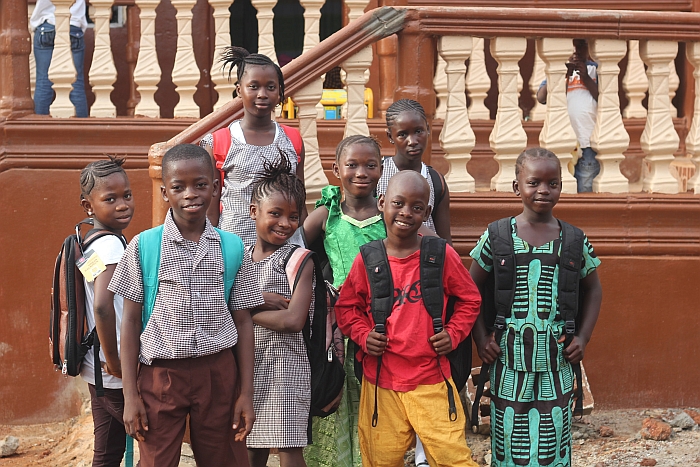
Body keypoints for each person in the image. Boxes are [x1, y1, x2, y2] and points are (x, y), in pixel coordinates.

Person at [109, 144, 261, 467]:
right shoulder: (144, 247)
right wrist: (130, 396)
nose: (190, 194)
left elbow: (244, 322)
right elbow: (131, 323)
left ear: (216, 187)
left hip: (218, 373)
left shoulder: (231, 248)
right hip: (161, 376)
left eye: (200, 184)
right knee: (156, 461)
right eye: (178, 187)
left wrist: (245, 392)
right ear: (165, 192)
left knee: (224, 459)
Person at [335, 170, 481, 467]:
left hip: (432, 379)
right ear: (381, 203)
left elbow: (470, 298)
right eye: (398, 203)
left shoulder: (439, 255)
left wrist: (453, 333)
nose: (405, 213)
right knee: (380, 459)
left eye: (416, 207)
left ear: (427, 213)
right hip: (382, 381)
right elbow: (346, 307)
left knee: (452, 457)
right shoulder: (369, 258)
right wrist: (364, 335)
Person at [469, 148, 603, 467]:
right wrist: (481, 338)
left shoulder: (573, 240)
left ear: (560, 186)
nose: (543, 190)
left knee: (553, 431)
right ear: (518, 187)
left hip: (557, 357)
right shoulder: (497, 235)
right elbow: (470, 287)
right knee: (508, 429)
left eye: (552, 183)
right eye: (534, 182)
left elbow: (594, 288)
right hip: (508, 356)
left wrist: (582, 338)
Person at [302, 135, 386, 467]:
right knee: (335, 399)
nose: (361, 172)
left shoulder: (387, 212)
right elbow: (295, 252)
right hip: (336, 327)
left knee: (370, 400)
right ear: (336, 169)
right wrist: (318, 282)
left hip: (379, 324)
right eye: (352, 165)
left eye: (370, 165)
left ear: (382, 169)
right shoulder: (328, 213)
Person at [245, 155, 313, 467]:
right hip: (246, 367)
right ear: (253, 212)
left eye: (293, 216)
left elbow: (292, 321)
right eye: (275, 213)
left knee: (288, 448)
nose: (285, 223)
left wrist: (244, 310)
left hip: (286, 368)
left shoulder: (300, 260)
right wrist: (255, 300)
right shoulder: (239, 258)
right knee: (249, 447)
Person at [200, 47, 306, 247]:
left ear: (280, 91)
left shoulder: (293, 140)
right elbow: (211, 209)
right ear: (239, 89)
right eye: (254, 86)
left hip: (285, 246)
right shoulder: (220, 142)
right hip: (235, 246)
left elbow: (299, 201)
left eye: (271, 87)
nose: (262, 94)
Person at [79, 156, 134, 466]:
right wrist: (115, 362)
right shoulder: (111, 246)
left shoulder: (90, 241)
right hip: (111, 369)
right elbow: (101, 304)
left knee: (107, 453)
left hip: (95, 369)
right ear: (89, 206)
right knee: (156, 442)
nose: (122, 205)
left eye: (126, 195)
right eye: (110, 199)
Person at [377, 99, 452, 244]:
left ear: (428, 130)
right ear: (390, 137)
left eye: (418, 131)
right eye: (402, 134)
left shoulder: (436, 181)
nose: (412, 141)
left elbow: (445, 239)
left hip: (424, 260)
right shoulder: (377, 174)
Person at [536, 39, 599, 192]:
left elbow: (604, 97)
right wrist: (563, 76)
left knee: (585, 185)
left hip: (587, 141)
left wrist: (585, 77)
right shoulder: (559, 70)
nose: (575, 51)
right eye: (572, 47)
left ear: (589, 48)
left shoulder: (596, 69)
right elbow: (541, 97)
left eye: (580, 46)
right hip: (563, 141)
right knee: (563, 187)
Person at [30, 0, 89, 117]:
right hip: (73, 24)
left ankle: (38, 130)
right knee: (76, 84)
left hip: (46, 24)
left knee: (43, 82)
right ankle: (83, 131)